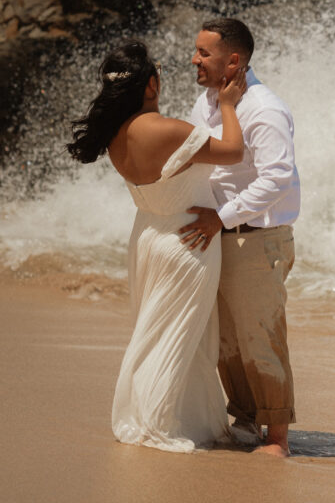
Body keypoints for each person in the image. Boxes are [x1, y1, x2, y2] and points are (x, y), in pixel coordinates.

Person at [66, 40, 247, 453]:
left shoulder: (114, 135)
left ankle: (172, 418)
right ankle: (152, 422)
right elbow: (234, 152)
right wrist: (229, 105)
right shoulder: (166, 129)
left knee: (155, 331)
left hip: (148, 238)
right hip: (187, 242)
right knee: (175, 336)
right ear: (150, 85)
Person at [179, 18, 300, 458]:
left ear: (233, 60)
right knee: (226, 339)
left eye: (203, 53)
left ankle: (278, 438)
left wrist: (220, 218)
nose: (194, 59)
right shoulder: (208, 102)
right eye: (196, 51)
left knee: (261, 337)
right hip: (220, 233)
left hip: (257, 237)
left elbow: (277, 180)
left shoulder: (264, 108)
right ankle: (245, 420)